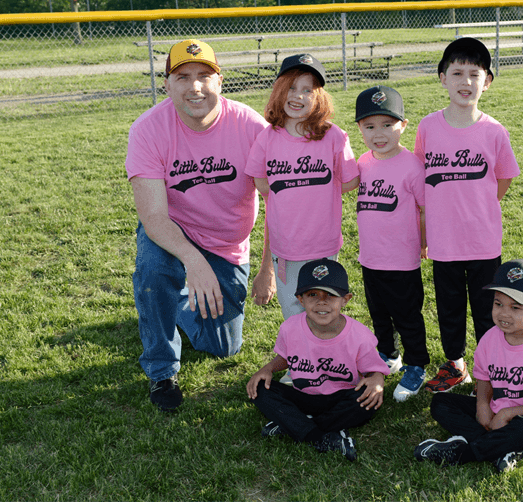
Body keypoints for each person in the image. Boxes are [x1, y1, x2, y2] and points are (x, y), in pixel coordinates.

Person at [125, 39, 276, 412]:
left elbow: (278, 203)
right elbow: (155, 217)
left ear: (220, 82)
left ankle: (178, 307)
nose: (195, 87)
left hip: (227, 245)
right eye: (183, 77)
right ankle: (162, 369)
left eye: (204, 76)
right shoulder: (147, 129)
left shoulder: (250, 126)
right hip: (173, 235)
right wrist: (194, 264)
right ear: (167, 85)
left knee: (223, 346)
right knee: (154, 271)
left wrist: (266, 270)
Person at [413, 37, 521, 393]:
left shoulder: (494, 131)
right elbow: (421, 180)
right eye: (456, 72)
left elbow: (502, 179)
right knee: (449, 305)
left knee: (487, 306)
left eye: (474, 74)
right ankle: (456, 364)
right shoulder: (428, 127)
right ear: (442, 78)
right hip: (443, 240)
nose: (465, 81)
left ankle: (490, 367)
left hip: (482, 238)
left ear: (487, 81)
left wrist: (479, 205)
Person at [414, 259, 523, 473]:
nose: (504, 313)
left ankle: (465, 452)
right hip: (497, 407)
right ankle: (505, 446)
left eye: (515, 307)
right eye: (498, 304)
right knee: (440, 403)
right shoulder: (489, 339)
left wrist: (506, 414)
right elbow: (484, 377)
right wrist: (483, 407)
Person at [245, 54, 360, 322]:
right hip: (285, 249)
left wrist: (316, 191)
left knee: (323, 309)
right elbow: (262, 184)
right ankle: (302, 360)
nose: (298, 96)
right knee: (294, 312)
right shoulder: (267, 138)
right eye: (292, 88)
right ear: (279, 92)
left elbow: (351, 181)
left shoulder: (333, 135)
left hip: (324, 244)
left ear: (318, 97)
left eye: (307, 90)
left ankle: (325, 358)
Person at [246, 258, 390, 462]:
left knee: (368, 402)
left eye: (330, 295)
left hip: (341, 397)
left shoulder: (360, 335)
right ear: (301, 300)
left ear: (345, 299)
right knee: (260, 389)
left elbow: (374, 372)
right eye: (313, 295)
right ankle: (321, 434)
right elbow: (285, 358)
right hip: (303, 396)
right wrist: (268, 368)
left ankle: (294, 426)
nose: (322, 302)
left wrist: (378, 380)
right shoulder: (290, 328)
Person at [354, 85, 430, 402]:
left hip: (402, 260)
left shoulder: (412, 166)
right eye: (370, 126)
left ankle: (416, 365)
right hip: (370, 258)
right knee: (379, 314)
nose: (379, 133)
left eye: (387, 124)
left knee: (407, 316)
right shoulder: (363, 162)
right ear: (360, 128)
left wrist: (424, 244)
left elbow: (426, 209)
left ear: (403, 125)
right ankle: (388, 354)